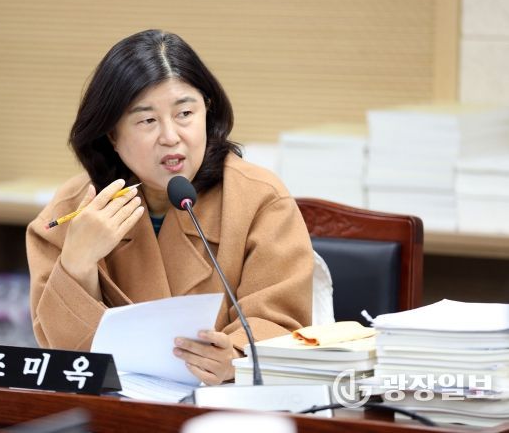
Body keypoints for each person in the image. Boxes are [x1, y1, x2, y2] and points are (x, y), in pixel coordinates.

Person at [27, 29, 313, 385]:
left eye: (185, 113)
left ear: (207, 112)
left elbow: (282, 323)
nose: (171, 136)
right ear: (111, 134)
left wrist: (237, 358)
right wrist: (77, 263)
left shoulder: (259, 199)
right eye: (147, 120)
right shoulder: (71, 210)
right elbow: (61, 355)